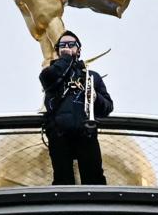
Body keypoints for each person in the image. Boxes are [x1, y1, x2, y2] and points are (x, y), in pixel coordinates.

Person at [40, 31, 113, 185]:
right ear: (58, 51)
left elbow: (108, 106)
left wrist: (95, 98)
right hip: (59, 133)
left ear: (79, 50)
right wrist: (66, 59)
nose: (66, 47)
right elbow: (47, 79)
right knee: (62, 180)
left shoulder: (92, 76)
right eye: (62, 45)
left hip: (85, 132)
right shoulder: (51, 73)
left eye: (71, 45)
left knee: (94, 178)